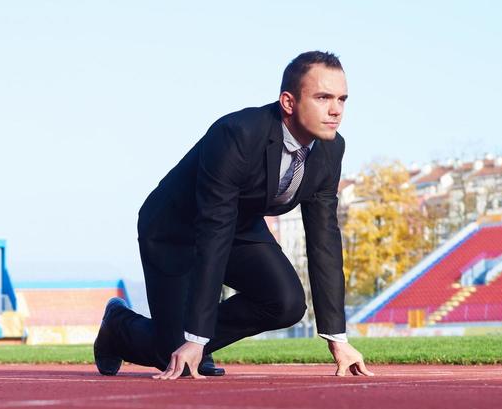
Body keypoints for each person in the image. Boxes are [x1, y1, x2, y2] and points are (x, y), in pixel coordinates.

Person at [94, 50, 373, 380]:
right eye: (323, 97)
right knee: (172, 358)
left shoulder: (330, 148)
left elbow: (324, 238)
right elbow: (214, 231)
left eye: (342, 98)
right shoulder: (237, 134)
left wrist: (337, 337)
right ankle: (119, 326)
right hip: (174, 229)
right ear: (288, 101)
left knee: (285, 302)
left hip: (238, 225)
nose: (336, 109)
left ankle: (188, 342)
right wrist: (196, 337)